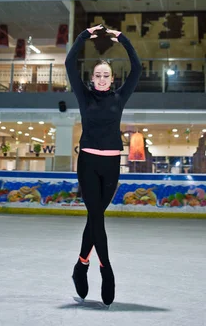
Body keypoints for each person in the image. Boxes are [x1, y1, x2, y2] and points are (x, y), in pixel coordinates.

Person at [65, 24, 142, 307]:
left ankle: (81, 264)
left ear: (112, 78)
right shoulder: (84, 96)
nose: (100, 78)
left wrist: (122, 39)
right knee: (96, 216)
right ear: (92, 77)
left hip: (111, 165)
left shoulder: (119, 97)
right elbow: (69, 62)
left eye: (105, 75)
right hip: (87, 162)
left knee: (94, 217)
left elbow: (138, 68)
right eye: (97, 74)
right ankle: (106, 270)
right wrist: (84, 35)